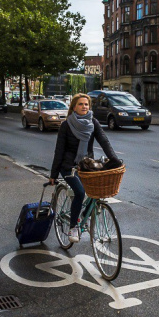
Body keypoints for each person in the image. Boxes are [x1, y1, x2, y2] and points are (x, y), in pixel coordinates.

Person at [49, 93, 119, 243]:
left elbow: (104, 141)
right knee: (80, 192)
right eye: (80, 104)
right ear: (74, 107)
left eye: (86, 104)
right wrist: (54, 174)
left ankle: (84, 218)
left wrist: (114, 159)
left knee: (96, 192)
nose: (84, 107)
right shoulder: (66, 125)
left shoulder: (92, 122)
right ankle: (74, 227)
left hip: (85, 165)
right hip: (68, 166)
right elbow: (59, 150)